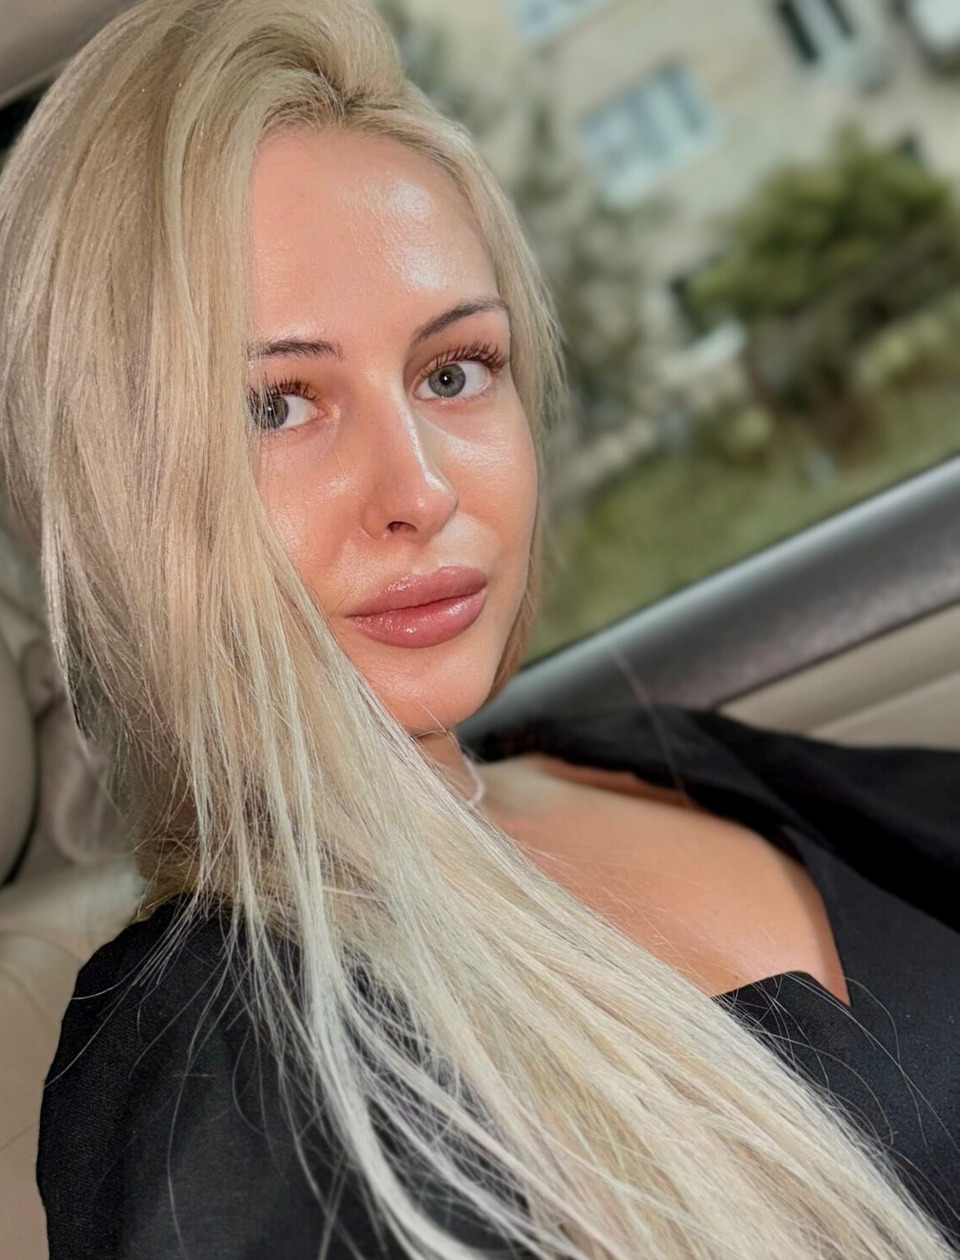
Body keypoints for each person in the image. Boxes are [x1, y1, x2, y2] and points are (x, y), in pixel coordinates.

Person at [0, 0, 958, 1256]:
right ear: (113, 491)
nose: (422, 491)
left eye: (453, 372)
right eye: (276, 404)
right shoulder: (212, 1073)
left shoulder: (645, 756)